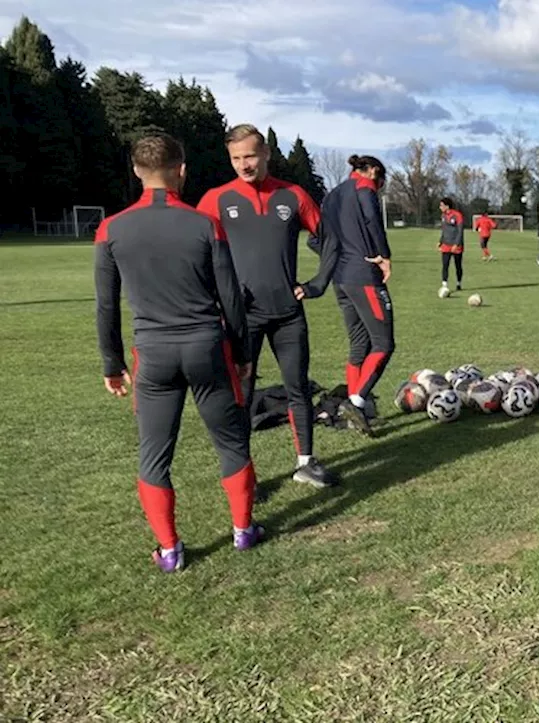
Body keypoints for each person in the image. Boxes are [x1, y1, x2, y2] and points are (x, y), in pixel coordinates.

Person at [95, 132, 264, 572]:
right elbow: (230, 296)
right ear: (182, 169)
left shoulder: (110, 228)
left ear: (136, 172)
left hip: (153, 355)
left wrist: (112, 365)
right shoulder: (205, 223)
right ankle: (243, 530)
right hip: (207, 348)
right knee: (230, 442)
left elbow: (107, 305)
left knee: (154, 453)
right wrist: (242, 351)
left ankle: (170, 550)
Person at [197, 123, 338, 489]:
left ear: (266, 155)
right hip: (242, 317)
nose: (244, 164)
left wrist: (317, 284)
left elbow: (330, 241)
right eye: (236, 158)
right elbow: (194, 250)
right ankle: (246, 475)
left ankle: (305, 462)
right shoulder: (216, 199)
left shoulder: (292, 195)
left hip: (288, 314)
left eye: (250, 156)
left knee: (298, 388)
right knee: (240, 395)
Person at [301, 154, 393, 437]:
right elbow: (371, 219)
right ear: (373, 172)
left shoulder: (331, 196)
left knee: (359, 344)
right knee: (384, 344)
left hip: (340, 280)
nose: (378, 188)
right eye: (381, 182)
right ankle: (355, 401)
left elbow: (313, 238)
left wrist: (337, 259)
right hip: (363, 277)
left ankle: (355, 411)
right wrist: (382, 256)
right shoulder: (364, 189)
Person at [439, 197, 465, 291]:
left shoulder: (457, 215)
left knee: (458, 265)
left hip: (456, 245)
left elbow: (460, 231)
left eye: (441, 205)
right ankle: (444, 284)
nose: (440, 207)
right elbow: (443, 230)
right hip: (446, 244)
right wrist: (440, 241)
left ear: (447, 206)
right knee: (445, 265)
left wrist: (456, 244)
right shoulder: (443, 216)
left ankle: (459, 283)